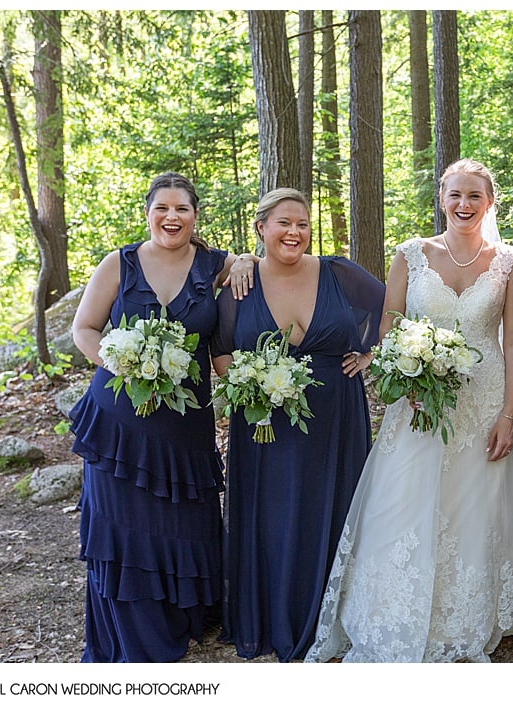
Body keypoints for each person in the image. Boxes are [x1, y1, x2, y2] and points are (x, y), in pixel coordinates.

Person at [304, 158, 513, 663]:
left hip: (484, 397)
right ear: (442, 197)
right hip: (419, 397)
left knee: (475, 506)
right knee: (405, 500)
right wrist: (405, 377)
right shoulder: (411, 253)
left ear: (489, 202)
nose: (464, 204)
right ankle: (395, 609)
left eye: (475, 196)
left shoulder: (508, 261)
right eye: (455, 194)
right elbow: (389, 327)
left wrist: (509, 414)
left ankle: (464, 613)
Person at [69, 171, 242, 662]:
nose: (171, 217)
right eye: (162, 208)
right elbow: (84, 328)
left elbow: (255, 266)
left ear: (195, 216)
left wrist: (247, 260)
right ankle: (133, 631)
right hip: (118, 424)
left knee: (183, 521)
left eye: (182, 209)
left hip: (184, 426)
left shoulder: (216, 265)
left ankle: (184, 617)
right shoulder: (117, 264)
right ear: (147, 212)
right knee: (122, 522)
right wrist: (118, 360)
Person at [211, 188, 385, 662]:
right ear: (261, 228)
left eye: (303, 224)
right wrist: (252, 384)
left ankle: (333, 617)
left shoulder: (340, 273)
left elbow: (393, 308)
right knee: (274, 514)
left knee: (334, 509)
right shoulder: (239, 286)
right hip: (266, 422)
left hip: (335, 419)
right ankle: (274, 615)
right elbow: (221, 350)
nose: (294, 232)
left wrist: (370, 354)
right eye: (284, 223)